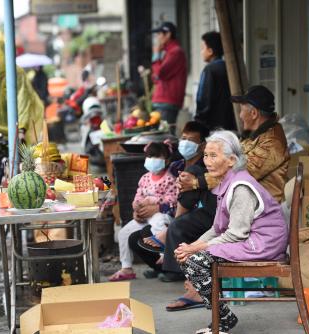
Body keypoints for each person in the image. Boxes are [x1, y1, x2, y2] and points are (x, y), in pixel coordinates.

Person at [175, 130, 288, 333]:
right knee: (189, 257)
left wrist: (196, 249)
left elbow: (236, 234)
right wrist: (191, 247)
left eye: (213, 156)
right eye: (206, 155)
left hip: (262, 244)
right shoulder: (226, 183)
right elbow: (217, 229)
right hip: (250, 240)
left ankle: (223, 319)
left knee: (195, 261)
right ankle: (223, 317)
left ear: (231, 160)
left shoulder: (240, 187)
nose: (207, 161)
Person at [128, 122, 215, 286]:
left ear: (203, 146)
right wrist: (141, 209)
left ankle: (175, 270)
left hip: (194, 217)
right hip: (169, 215)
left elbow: (188, 202)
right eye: (183, 138)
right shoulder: (175, 166)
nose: (185, 142)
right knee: (136, 239)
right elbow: (158, 190)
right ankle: (164, 266)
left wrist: (167, 219)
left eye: (191, 140)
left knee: (174, 228)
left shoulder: (202, 169)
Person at [179, 85, 289, 203]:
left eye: (242, 110)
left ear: (254, 113)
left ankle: (178, 217)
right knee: (195, 171)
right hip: (241, 196)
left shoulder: (272, 143)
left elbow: (240, 173)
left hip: (258, 207)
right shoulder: (256, 135)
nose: (240, 115)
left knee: (196, 179)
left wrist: (197, 182)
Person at [109, 142, 178, 281]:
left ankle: (165, 256)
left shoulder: (170, 179)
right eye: (150, 156)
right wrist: (137, 207)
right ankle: (126, 267)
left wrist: (152, 202)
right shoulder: (145, 178)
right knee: (124, 233)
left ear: (167, 159)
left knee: (158, 223)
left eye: (157, 157)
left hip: (162, 215)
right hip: (145, 217)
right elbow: (138, 195)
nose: (153, 160)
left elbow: (173, 199)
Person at [151, 22, 188, 134]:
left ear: (168, 34)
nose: (157, 37)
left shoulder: (175, 52)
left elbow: (160, 73)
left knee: (164, 137)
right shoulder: (168, 52)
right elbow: (156, 77)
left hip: (167, 102)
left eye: (159, 34)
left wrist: (156, 53)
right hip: (163, 101)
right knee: (162, 136)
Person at [194, 31, 235, 131]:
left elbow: (203, 99)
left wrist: (198, 121)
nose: (201, 52)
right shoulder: (229, 67)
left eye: (203, 48)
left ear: (210, 51)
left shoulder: (209, 69)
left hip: (212, 125)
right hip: (230, 123)